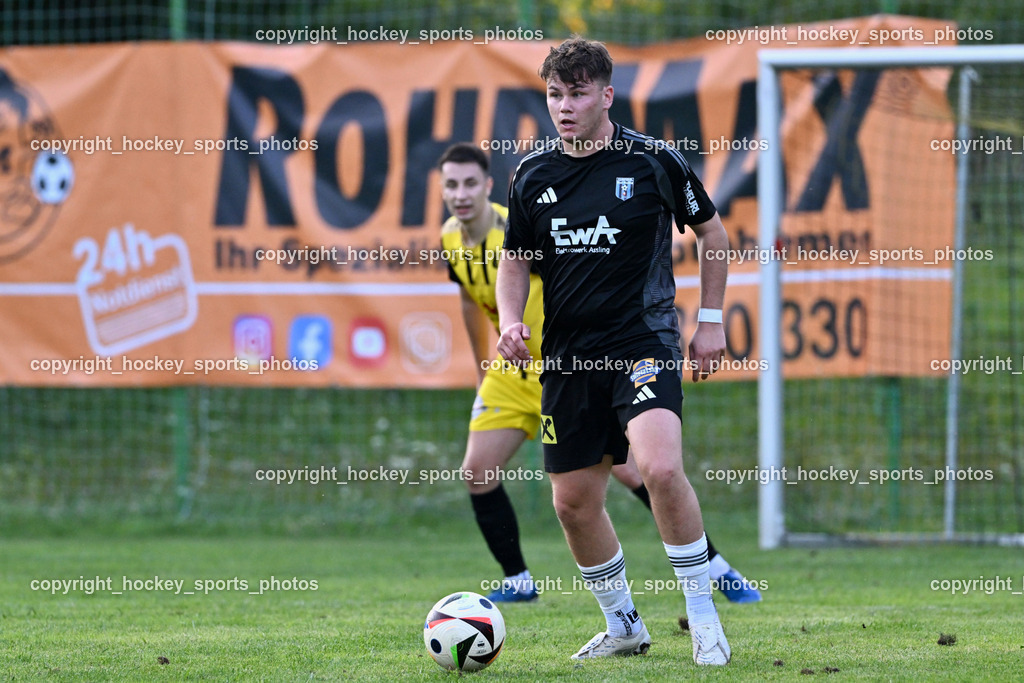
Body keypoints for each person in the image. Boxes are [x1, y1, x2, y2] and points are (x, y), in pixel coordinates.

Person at [437, 143, 760, 613]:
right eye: (451, 184)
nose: (460, 194)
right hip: (512, 369)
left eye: (469, 183)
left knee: (644, 472)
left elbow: (578, 274)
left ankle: (715, 568)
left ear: (487, 187)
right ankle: (519, 579)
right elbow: (470, 299)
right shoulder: (450, 237)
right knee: (478, 471)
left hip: (570, 363)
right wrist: (482, 364)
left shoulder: (522, 218)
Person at [496, 37, 735, 665]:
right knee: (573, 502)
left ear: (606, 95)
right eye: (554, 95)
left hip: (642, 340)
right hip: (569, 356)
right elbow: (515, 258)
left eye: (577, 94)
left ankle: (705, 615)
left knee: (658, 468)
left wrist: (710, 322)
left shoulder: (654, 161)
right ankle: (623, 623)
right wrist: (510, 320)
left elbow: (713, 233)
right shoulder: (530, 173)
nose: (564, 107)